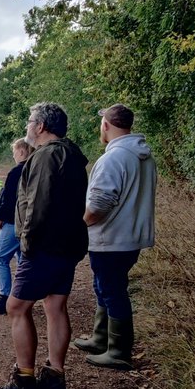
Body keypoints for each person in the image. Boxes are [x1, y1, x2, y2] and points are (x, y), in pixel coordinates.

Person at [0, 102, 88, 389]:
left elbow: (38, 204)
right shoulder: (73, 155)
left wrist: (27, 243)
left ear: (41, 126)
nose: (27, 127)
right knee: (55, 306)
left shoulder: (45, 156)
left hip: (45, 245)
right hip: (68, 244)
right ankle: (55, 379)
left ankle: (24, 382)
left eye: (30, 121)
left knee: (16, 307)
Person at [76, 104, 157, 370]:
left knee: (113, 291)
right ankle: (102, 338)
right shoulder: (143, 156)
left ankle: (119, 351)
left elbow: (100, 204)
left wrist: (79, 225)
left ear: (107, 125)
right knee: (106, 287)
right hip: (130, 237)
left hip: (111, 239)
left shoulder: (113, 158)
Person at [0, 138, 32, 315]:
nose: (13, 154)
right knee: (21, 259)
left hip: (12, 222)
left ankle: (5, 297)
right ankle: (21, 297)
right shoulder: (34, 168)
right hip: (26, 223)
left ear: (21, 151)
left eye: (14, 151)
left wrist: (0, 218)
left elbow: (10, 199)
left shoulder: (17, 171)